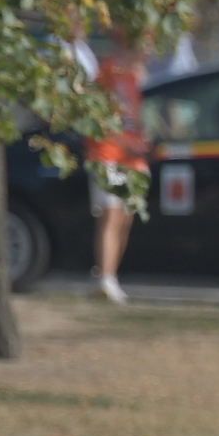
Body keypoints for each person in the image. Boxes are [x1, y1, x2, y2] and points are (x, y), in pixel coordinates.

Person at [78, 37, 148, 304]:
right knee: (111, 215)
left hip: (132, 159)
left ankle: (110, 276)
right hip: (108, 154)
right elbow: (99, 120)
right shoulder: (108, 73)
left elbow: (135, 118)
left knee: (126, 219)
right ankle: (105, 278)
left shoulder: (134, 78)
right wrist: (126, 143)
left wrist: (140, 141)